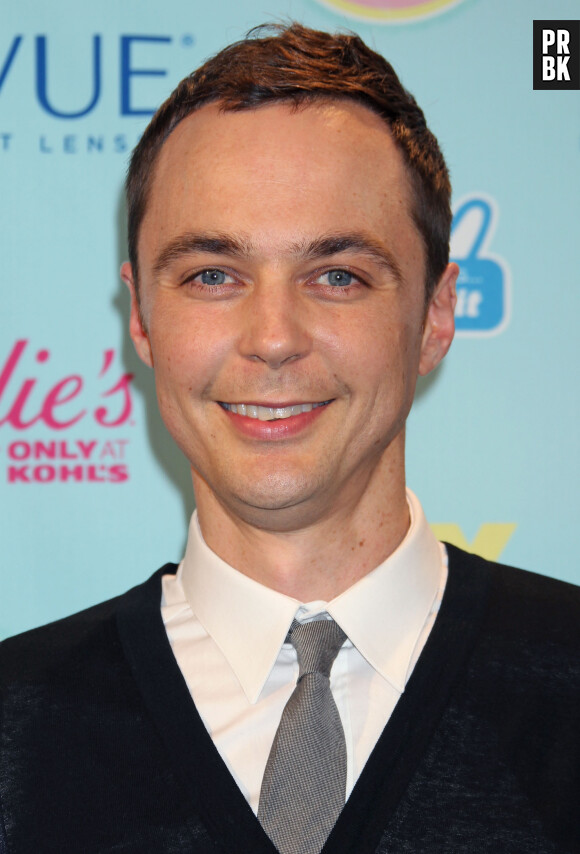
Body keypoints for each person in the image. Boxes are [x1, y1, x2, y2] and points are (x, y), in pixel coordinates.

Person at [0, 22, 578, 854]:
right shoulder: (15, 725)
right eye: (212, 275)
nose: (273, 337)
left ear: (437, 316)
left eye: (337, 275)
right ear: (142, 317)